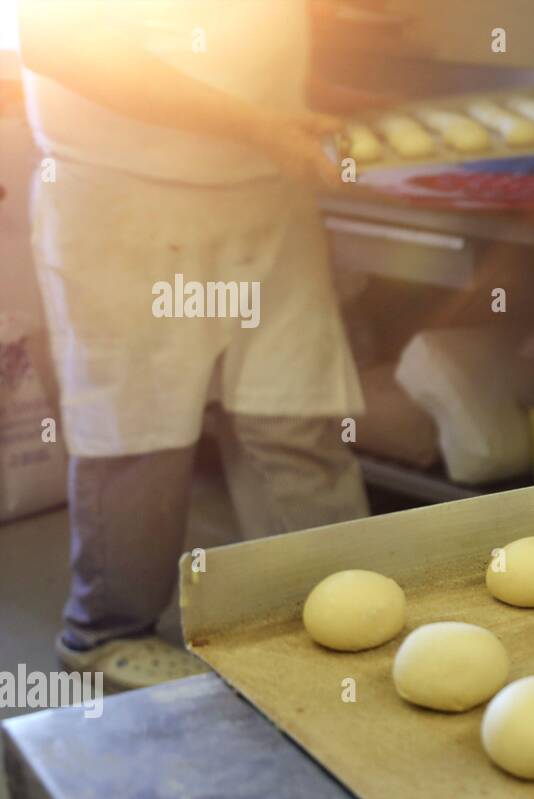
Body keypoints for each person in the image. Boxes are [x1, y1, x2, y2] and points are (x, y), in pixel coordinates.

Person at [19, 0, 371, 689]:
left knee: (294, 415)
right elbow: (60, 42)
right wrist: (257, 124)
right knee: (140, 433)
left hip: (266, 196)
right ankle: (105, 633)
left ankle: (333, 614)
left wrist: (303, 106)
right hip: (126, 202)